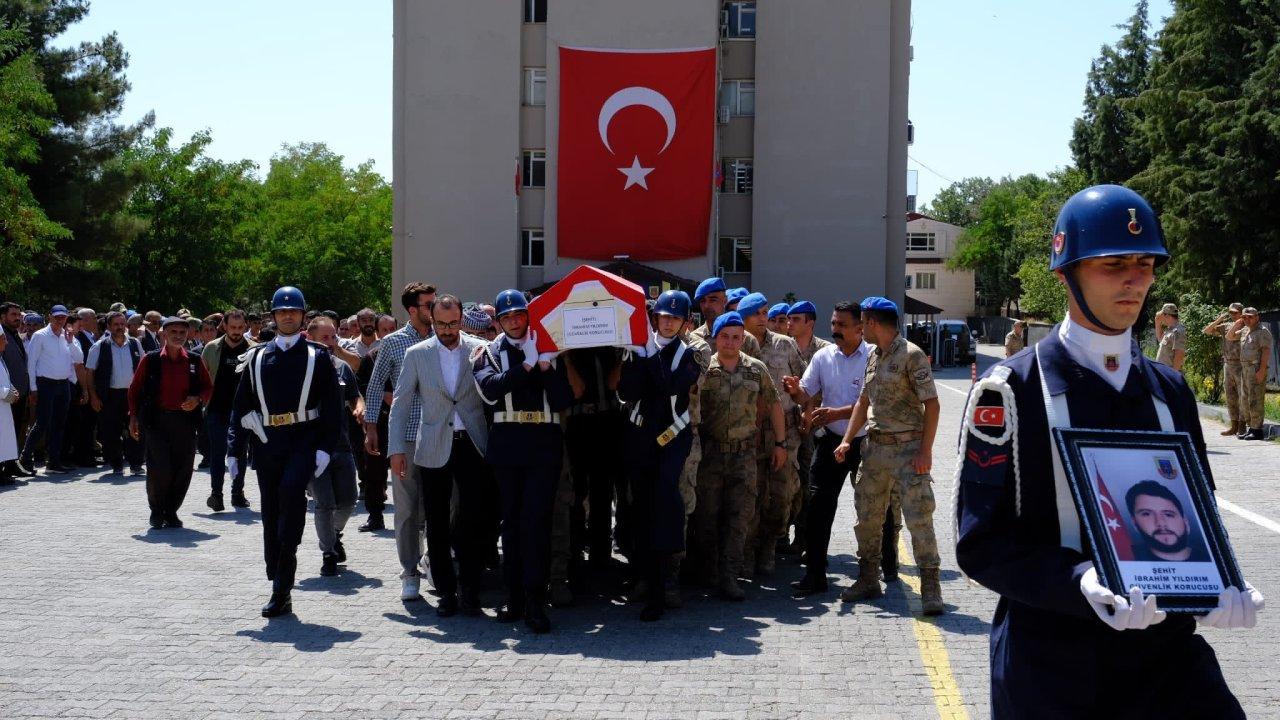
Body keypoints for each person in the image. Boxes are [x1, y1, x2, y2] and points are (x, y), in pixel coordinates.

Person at [954, 184, 1262, 718]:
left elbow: (1199, 515)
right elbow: (981, 544)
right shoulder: (1009, 391)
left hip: (1166, 662)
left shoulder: (1169, 390)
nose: (1135, 279)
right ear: (1065, 272)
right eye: (1112, 263)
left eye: (1145, 263)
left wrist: (1216, 584)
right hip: (1050, 662)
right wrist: (1079, 581)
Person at [228, 286, 342, 618]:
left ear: (303, 317)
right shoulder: (258, 357)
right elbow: (241, 406)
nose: (288, 316)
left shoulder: (317, 357)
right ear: (273, 317)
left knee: (291, 498)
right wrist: (234, 450)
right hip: (268, 443)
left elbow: (333, 408)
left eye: (294, 311)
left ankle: (282, 587)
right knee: (271, 512)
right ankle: (277, 577)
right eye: (281, 312)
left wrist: (324, 447)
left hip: (304, 440)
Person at [473, 289, 574, 633]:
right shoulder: (487, 352)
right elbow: (490, 390)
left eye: (519, 315)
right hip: (508, 443)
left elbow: (564, 399)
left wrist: (545, 366)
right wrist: (528, 364)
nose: (515, 322)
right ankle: (513, 595)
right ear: (498, 321)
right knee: (511, 524)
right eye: (507, 317)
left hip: (543, 443)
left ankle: (534, 599)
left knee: (536, 523)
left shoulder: (550, 349)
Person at [835, 296, 944, 614]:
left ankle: (930, 586)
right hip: (875, 451)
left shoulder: (912, 355)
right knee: (867, 518)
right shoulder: (873, 356)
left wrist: (926, 451)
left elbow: (933, 405)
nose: (860, 328)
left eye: (862, 322)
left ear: (871, 323)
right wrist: (846, 440)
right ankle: (869, 578)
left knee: (919, 519)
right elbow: (862, 402)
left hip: (909, 451)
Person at [388, 295, 491, 617]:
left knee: (473, 520)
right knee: (436, 521)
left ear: (462, 318)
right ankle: (446, 592)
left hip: (472, 443)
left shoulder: (478, 348)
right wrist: (395, 450)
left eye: (453, 323)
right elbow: (402, 404)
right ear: (431, 320)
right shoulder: (416, 354)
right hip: (433, 445)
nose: (448, 330)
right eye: (442, 324)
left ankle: (471, 589)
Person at [616, 290, 701, 620]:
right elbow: (627, 392)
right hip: (639, 436)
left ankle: (663, 586)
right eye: (664, 317)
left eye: (675, 319)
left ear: (684, 323)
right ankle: (643, 577)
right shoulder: (636, 349)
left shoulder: (690, 356)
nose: (668, 323)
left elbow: (668, 387)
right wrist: (639, 357)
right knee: (639, 507)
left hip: (671, 439)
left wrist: (649, 358)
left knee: (664, 504)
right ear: (655, 317)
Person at [693, 311, 786, 601]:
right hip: (710, 454)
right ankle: (709, 572)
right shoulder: (704, 371)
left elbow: (774, 406)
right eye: (725, 336)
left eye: (736, 337)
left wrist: (781, 444)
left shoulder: (756, 369)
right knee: (707, 516)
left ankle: (730, 577)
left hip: (745, 456)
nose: (731, 342)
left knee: (740, 517)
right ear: (715, 338)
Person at [782, 302, 872, 597]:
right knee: (818, 506)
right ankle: (816, 575)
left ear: (860, 328)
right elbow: (805, 393)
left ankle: (877, 570)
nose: (835, 330)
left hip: (866, 441)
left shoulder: (873, 357)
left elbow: (872, 404)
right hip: (832, 441)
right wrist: (795, 391)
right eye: (833, 324)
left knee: (872, 509)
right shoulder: (823, 357)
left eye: (842, 325)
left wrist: (836, 413)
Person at [363, 282, 435, 595]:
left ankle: (434, 558)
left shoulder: (443, 338)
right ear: (412, 310)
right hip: (404, 435)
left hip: (438, 434)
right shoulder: (392, 343)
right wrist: (371, 427)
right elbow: (376, 385)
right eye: (428, 304)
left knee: (439, 503)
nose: (435, 309)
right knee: (406, 508)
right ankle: (409, 572)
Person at [737, 292, 806, 577]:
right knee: (751, 495)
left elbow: (806, 385)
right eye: (757, 314)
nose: (763, 319)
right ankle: (749, 552)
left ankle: (769, 548)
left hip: (784, 432)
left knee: (781, 494)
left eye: (765, 312)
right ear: (743, 318)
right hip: (750, 432)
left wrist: (801, 400)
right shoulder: (737, 343)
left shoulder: (786, 345)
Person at [128, 316, 213, 529]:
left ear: (189, 335)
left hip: (185, 423)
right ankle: (157, 511)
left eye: (182, 333)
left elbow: (208, 387)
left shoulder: (194, 360)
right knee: (160, 468)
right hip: (157, 421)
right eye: (173, 332)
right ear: (163, 334)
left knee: (183, 468)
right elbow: (134, 389)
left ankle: (171, 511)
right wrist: (133, 417)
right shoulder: (151, 359)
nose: (178, 336)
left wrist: (197, 399)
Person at [304, 316, 363, 577]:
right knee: (324, 503)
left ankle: (334, 533)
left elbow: (354, 396)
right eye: (325, 337)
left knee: (349, 500)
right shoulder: (301, 368)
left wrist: (359, 408)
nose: (330, 342)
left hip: (341, 445)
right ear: (311, 338)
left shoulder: (342, 368)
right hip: (312, 447)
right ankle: (328, 552)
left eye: (333, 337)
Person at [201, 310, 255, 510]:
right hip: (216, 409)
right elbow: (203, 378)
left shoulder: (254, 349)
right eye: (232, 327)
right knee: (218, 453)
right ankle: (216, 494)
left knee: (240, 453)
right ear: (224, 325)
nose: (236, 332)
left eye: (240, 328)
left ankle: (237, 493)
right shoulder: (211, 348)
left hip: (243, 411)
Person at [85, 312, 144, 475]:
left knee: (136, 427)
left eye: (122, 324)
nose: (120, 327)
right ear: (109, 326)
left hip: (132, 394)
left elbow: (142, 369)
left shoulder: (135, 344)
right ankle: (116, 463)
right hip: (109, 395)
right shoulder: (99, 346)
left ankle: (136, 463)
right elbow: (89, 373)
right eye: (116, 324)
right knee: (110, 431)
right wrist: (94, 396)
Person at [21, 305, 74, 474]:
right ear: (49, 316)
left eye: (63, 317)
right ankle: (25, 458)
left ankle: (53, 462)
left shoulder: (67, 336)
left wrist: (71, 341)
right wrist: (33, 388)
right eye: (57, 316)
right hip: (45, 384)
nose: (60, 320)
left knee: (59, 424)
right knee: (42, 423)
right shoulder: (40, 335)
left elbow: (77, 357)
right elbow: (31, 363)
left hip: (63, 384)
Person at [1125, 480, 1209, 563]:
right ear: (1134, 522)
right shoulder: (1126, 557)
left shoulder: (1209, 559)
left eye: (1169, 514)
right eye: (1147, 514)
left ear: (1185, 522)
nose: (1161, 523)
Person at [1228, 307, 1272, 441]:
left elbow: (1266, 351)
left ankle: (1257, 430)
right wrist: (1237, 323)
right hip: (1245, 368)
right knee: (1245, 400)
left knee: (1255, 400)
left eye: (1250, 317)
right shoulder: (1245, 330)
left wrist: (1262, 370)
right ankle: (1250, 428)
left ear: (1257, 317)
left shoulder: (1262, 332)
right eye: (1245, 317)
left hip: (1256, 368)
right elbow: (1229, 336)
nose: (1247, 319)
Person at [1202, 303, 1244, 436]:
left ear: (1241, 313)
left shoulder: (1246, 326)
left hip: (1241, 364)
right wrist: (1219, 320)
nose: (1233, 315)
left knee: (1242, 396)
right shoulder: (1226, 326)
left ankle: (1243, 426)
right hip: (1228, 364)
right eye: (1231, 313)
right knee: (1230, 396)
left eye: (1235, 313)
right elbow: (1207, 331)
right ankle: (1234, 426)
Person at [0, 302, 32, 477]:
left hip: (18, 393)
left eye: (19, 315)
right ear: (3, 317)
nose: (18, 318)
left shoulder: (14, 335)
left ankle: (12, 463)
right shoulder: (1, 335)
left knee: (16, 430)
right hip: (5, 396)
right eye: (13, 315)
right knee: (4, 432)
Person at [0, 330, 20, 485]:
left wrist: (12, 389)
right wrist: (7, 393)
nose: (6, 342)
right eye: (3, 339)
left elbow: (4, 378)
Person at [1155, 303, 1187, 371]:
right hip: (1164, 374)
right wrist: (1157, 322)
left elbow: (1179, 356)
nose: (1160, 318)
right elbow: (1159, 339)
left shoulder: (1178, 331)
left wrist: (1173, 377)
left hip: (1169, 376)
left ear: (1167, 315)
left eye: (1162, 315)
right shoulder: (1169, 330)